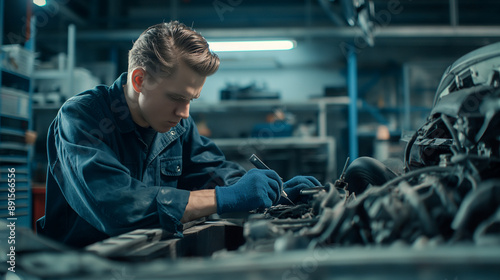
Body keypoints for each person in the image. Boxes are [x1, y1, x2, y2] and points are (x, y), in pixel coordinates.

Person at [36, 21, 321, 248]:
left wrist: (274, 192)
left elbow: (212, 172)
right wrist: (224, 199)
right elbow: (118, 206)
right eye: (176, 98)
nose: (184, 113)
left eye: (191, 100)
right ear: (139, 79)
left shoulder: (176, 125)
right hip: (79, 268)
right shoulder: (81, 119)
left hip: (146, 261)